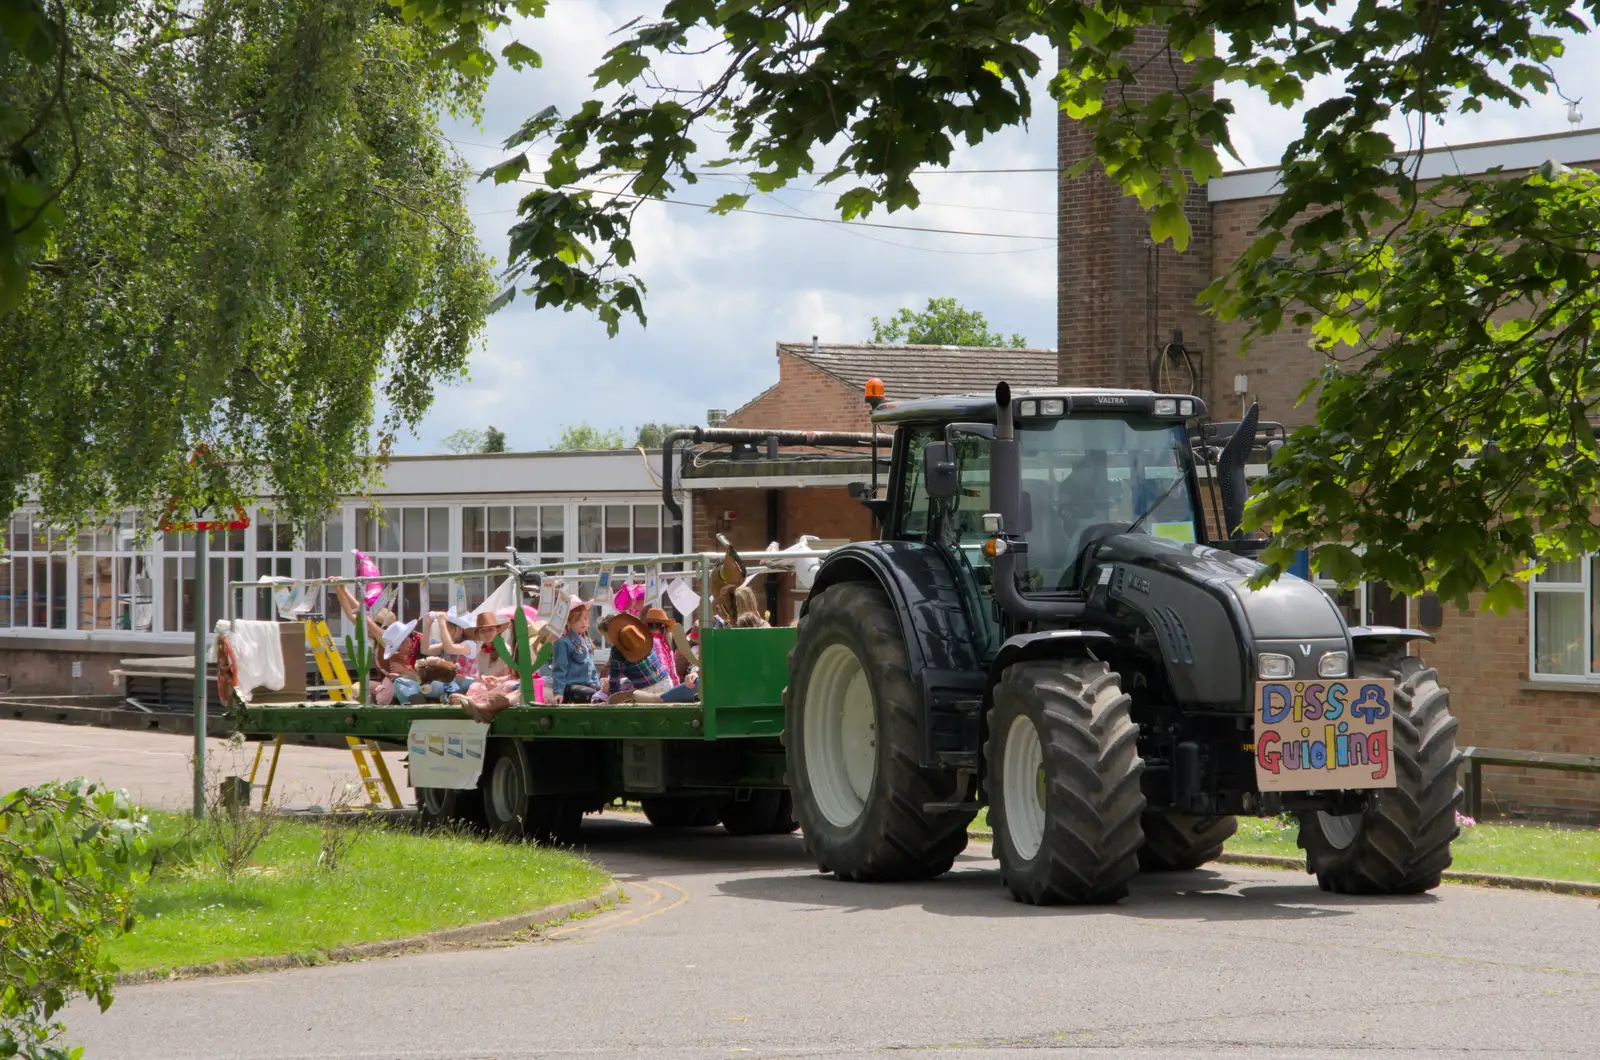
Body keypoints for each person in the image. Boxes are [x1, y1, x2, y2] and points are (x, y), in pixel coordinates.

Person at [602, 612, 673, 701]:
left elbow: (614, 682)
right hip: (666, 683)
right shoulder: (644, 637)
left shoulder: (616, 650)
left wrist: (611, 699)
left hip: (645, 692)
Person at [550, 597, 604, 704]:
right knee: (595, 697)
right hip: (571, 687)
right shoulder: (563, 643)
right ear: (568, 622)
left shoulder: (587, 641)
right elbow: (559, 669)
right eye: (578, 619)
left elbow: (592, 668)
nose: (583, 622)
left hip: (588, 684)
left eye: (585, 618)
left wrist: (599, 686)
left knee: (607, 694)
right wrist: (558, 692)